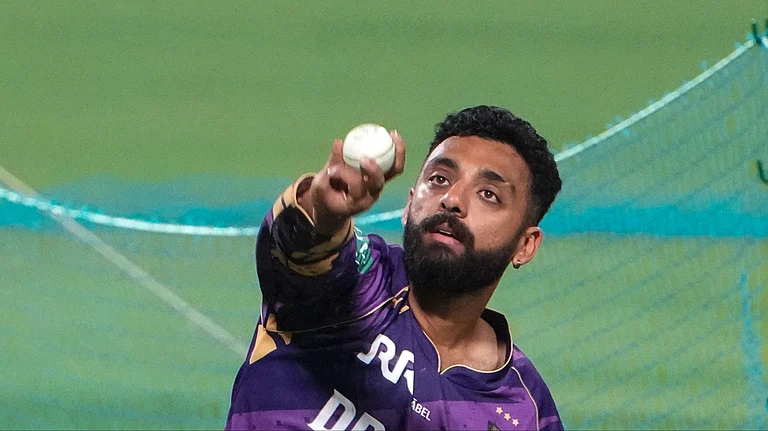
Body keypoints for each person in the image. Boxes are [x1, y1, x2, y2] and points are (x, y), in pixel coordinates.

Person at [226, 105, 564, 431]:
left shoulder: (524, 409)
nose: (452, 200)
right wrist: (324, 212)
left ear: (525, 245)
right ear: (410, 202)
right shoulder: (361, 284)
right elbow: (296, 250)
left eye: (488, 194)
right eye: (439, 179)